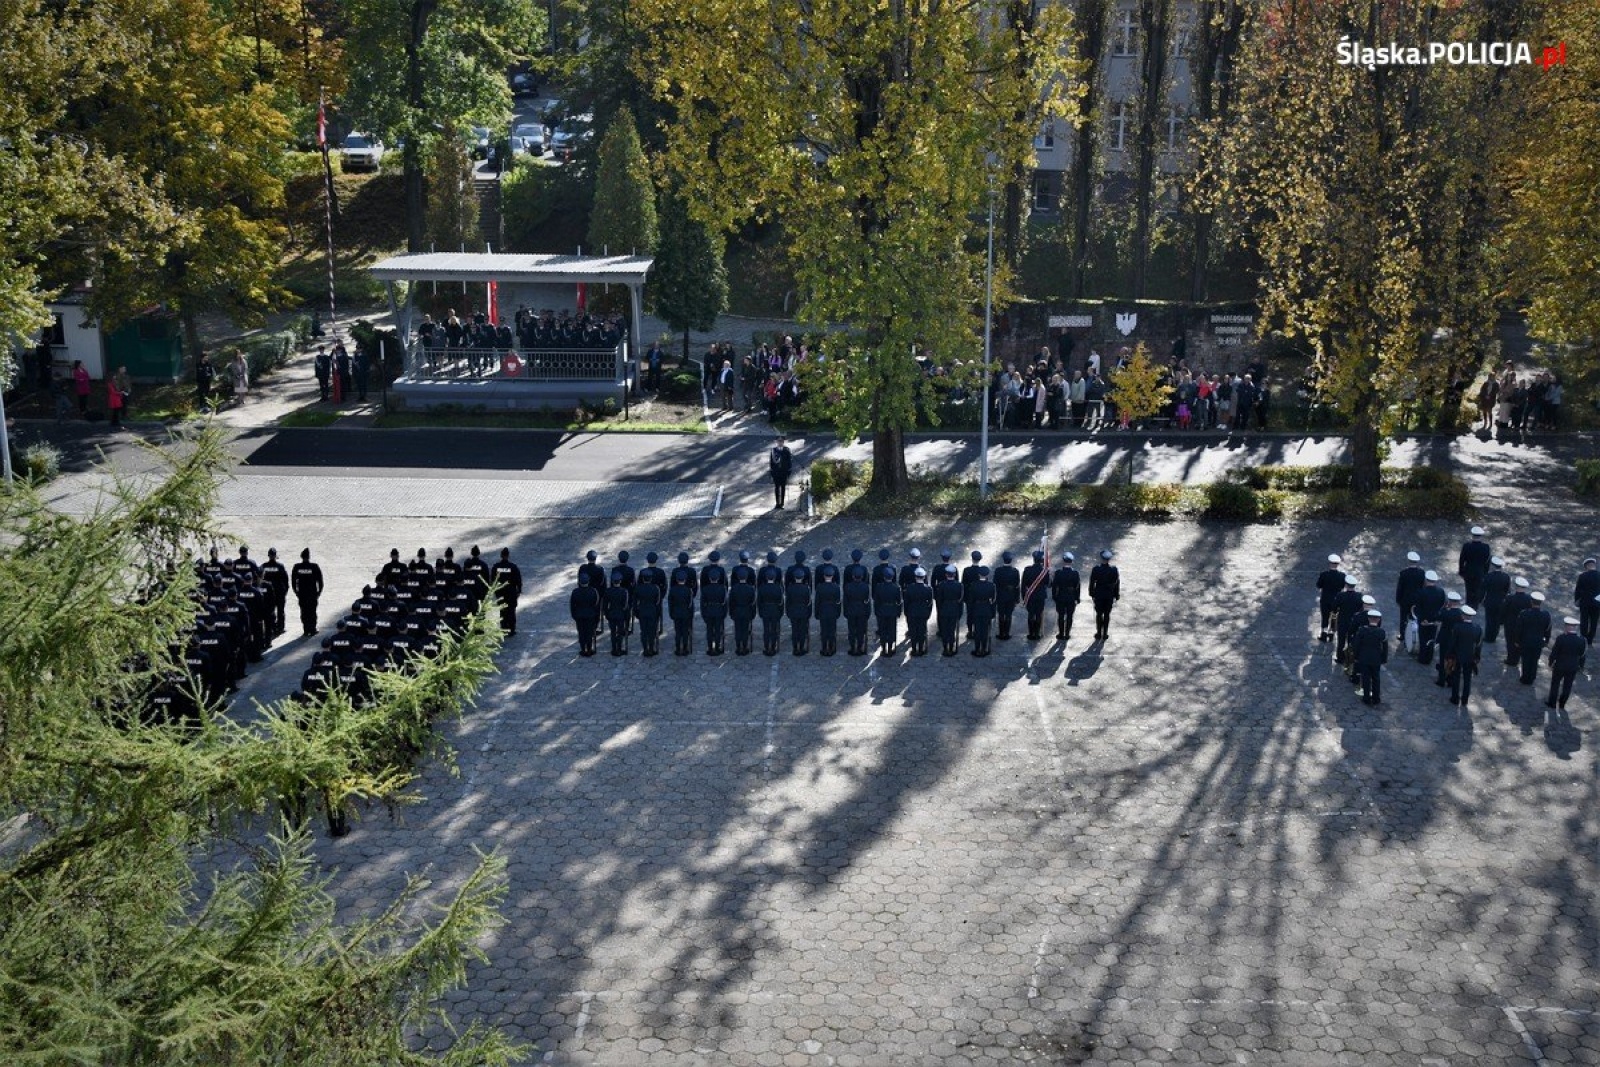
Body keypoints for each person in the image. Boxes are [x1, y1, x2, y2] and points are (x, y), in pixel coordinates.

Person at [1446, 605, 1483, 706]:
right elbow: (1478, 645)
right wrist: (1477, 657)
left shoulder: (1457, 627)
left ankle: (1455, 698)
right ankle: (1465, 700)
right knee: (1467, 679)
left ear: (1463, 616)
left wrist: (1449, 654)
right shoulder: (1477, 628)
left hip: (1458, 656)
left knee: (1456, 677)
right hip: (1470, 657)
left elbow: (1453, 643)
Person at [1546, 617, 1587, 710]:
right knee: (1567, 686)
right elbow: (1582, 655)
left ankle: (1552, 703)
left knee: (1555, 684)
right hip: (1572, 667)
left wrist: (1550, 662)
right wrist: (1581, 666)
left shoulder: (1561, 638)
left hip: (1560, 665)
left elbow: (1554, 653)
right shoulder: (1582, 640)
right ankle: (1562, 704)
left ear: (1567, 627)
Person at [1351, 609, 1389, 706]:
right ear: (1378, 620)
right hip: (1376, 659)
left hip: (1364, 658)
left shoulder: (1362, 630)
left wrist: (1356, 657)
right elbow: (1385, 648)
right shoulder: (1382, 632)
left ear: (1368, 619)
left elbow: (1356, 645)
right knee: (1376, 678)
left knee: (1366, 678)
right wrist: (1384, 659)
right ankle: (1376, 698)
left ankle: (1366, 697)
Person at [1514, 591, 1552, 686]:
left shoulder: (1524, 613)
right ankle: (1532, 677)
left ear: (1531, 602)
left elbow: (1519, 628)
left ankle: (1525, 677)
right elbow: (1548, 629)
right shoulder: (1546, 615)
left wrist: (1517, 640)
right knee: (1534, 660)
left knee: (1526, 659)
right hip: (1538, 641)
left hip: (1525, 641)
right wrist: (1546, 640)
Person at [843, 550, 873, 656]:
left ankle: (852, 648)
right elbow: (867, 600)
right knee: (861, 630)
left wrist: (845, 611)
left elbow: (845, 598)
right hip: (862, 610)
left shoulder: (847, 572)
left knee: (851, 629)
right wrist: (868, 612)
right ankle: (860, 647)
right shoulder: (865, 583)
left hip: (851, 608)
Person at [1413, 571, 1446, 665]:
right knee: (1431, 638)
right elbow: (1442, 606)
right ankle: (1429, 657)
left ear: (1426, 580)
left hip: (1423, 620)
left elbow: (1419, 608)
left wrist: (1423, 618)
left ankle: (1422, 658)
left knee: (1423, 638)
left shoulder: (1421, 592)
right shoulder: (1441, 592)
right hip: (1434, 620)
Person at [814, 549, 842, 656]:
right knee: (832, 629)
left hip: (822, 607)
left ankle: (824, 647)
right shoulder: (835, 569)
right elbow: (838, 598)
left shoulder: (818, 569)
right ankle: (832, 647)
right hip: (833, 608)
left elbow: (816, 585)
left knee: (824, 630)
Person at [785, 549, 814, 654]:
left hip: (793, 604)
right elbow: (810, 585)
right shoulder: (806, 570)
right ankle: (801, 647)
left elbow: (787, 582)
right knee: (802, 629)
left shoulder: (790, 569)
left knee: (794, 628)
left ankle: (795, 647)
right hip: (803, 604)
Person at [756, 552, 785, 656]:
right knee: (774, 629)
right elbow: (782, 594)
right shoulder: (778, 571)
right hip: (776, 608)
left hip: (765, 608)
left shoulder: (762, 571)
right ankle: (773, 646)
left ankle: (766, 646)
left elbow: (758, 585)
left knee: (766, 629)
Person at [1433, 591, 1465, 688]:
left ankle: (1441, 679)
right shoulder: (1461, 614)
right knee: (1453, 660)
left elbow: (1437, 617)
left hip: (1445, 638)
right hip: (1455, 641)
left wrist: (1444, 607)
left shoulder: (1446, 612)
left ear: (1450, 602)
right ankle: (1450, 680)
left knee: (1443, 659)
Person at [701, 551, 729, 655]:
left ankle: (710, 647)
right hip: (719, 604)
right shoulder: (721, 570)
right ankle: (718, 646)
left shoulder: (705, 570)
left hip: (708, 605)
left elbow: (703, 583)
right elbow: (725, 584)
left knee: (709, 629)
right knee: (718, 629)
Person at [1501, 577, 1534, 667]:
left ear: (1516, 586)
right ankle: (1517, 658)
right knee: (1519, 641)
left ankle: (1511, 659)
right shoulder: (1529, 599)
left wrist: (1502, 621)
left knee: (1510, 642)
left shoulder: (1510, 598)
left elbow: (1504, 610)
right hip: (1523, 624)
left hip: (1510, 624)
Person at [290, 548, 324, 636]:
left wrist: (296, 592)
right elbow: (320, 581)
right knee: (312, 611)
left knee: (304, 611)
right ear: (309, 557)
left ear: (301, 557)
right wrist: (318, 593)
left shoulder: (297, 567)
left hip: (302, 594)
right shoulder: (314, 567)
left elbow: (293, 581)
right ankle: (312, 629)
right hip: (312, 594)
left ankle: (306, 629)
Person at [727, 559, 757, 656]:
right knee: (745, 629)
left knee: (738, 629)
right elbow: (753, 603)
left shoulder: (734, 589)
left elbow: (731, 602)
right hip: (747, 611)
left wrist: (731, 613)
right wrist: (753, 613)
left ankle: (738, 647)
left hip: (737, 611)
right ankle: (745, 646)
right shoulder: (750, 589)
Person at [1088, 550, 1120, 641]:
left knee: (1099, 614)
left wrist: (1091, 593)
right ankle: (1105, 633)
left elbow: (1092, 582)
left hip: (1099, 594)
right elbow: (1117, 583)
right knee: (1107, 614)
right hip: (1109, 595)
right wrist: (1116, 594)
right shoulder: (1114, 569)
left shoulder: (1096, 569)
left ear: (1101, 558)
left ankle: (1099, 633)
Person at [934, 564, 964, 656]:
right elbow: (960, 600)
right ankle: (951, 646)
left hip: (944, 609)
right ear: (954, 575)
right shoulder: (959, 585)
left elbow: (939, 600)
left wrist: (940, 609)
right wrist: (960, 613)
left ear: (946, 575)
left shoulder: (941, 585)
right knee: (951, 629)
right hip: (954, 609)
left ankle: (945, 647)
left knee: (944, 629)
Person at [1458, 526, 1492, 608]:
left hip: (1468, 570)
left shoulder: (1466, 546)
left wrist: (1461, 571)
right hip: (1480, 571)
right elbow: (1487, 561)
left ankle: (1468, 605)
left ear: (1472, 535)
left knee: (1468, 588)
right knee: (1477, 589)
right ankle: (1475, 606)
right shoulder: (1486, 547)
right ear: (1481, 536)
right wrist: (1485, 572)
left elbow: (1462, 559)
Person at [634, 566, 665, 656]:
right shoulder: (656, 588)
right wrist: (658, 613)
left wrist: (636, 613)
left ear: (643, 578)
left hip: (642, 611)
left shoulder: (638, 588)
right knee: (652, 631)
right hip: (653, 612)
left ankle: (645, 649)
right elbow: (658, 602)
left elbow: (635, 603)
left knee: (643, 631)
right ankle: (651, 648)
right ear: (651, 579)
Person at [903, 567, 934, 656]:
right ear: (924, 577)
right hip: (923, 612)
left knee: (913, 631)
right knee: (922, 631)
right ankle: (920, 648)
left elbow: (906, 602)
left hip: (912, 612)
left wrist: (906, 613)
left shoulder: (910, 588)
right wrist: (928, 613)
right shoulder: (928, 589)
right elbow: (930, 603)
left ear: (915, 577)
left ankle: (914, 649)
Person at [1051, 552, 1081, 642]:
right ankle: (1067, 634)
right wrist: (1077, 598)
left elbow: (1054, 586)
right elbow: (1078, 587)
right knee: (1070, 616)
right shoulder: (1075, 573)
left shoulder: (1058, 573)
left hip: (1061, 596)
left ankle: (1061, 634)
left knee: (1060, 616)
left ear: (1063, 561)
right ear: (1071, 562)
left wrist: (1054, 597)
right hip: (1071, 597)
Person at [491, 548, 522, 634]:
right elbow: (518, 580)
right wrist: (519, 590)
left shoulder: (496, 567)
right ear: (508, 555)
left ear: (501, 556)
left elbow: (493, 580)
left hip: (500, 591)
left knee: (502, 610)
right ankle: (511, 629)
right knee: (511, 610)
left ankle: (504, 628)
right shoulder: (513, 567)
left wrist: (494, 590)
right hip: (511, 592)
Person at [260, 548, 290, 638]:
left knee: (270, 611)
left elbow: (260, 579)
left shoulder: (264, 566)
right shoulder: (280, 566)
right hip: (279, 593)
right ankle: (280, 628)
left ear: (268, 555)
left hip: (268, 594)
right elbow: (285, 580)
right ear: (275, 555)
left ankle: (272, 627)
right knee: (280, 611)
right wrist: (285, 592)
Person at [570, 572, 602, 656]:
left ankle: (583, 649)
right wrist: (596, 617)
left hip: (579, 616)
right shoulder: (593, 591)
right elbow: (596, 605)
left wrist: (575, 616)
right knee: (589, 633)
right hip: (590, 615)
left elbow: (572, 606)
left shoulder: (575, 592)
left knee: (581, 633)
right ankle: (589, 649)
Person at [1317, 553, 1346, 642]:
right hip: (1336, 600)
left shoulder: (1324, 574)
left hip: (1325, 599)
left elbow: (1319, 585)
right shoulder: (1342, 575)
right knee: (1334, 617)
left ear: (1330, 563)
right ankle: (1331, 634)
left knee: (1325, 617)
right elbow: (1342, 586)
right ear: (1337, 564)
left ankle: (1324, 634)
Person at [1481, 556, 1511, 644]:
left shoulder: (1488, 576)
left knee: (1489, 619)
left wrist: (1481, 600)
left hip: (1490, 600)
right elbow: (1507, 591)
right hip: (1501, 601)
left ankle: (1488, 636)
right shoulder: (1506, 577)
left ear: (1493, 566)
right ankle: (1494, 636)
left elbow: (1483, 590)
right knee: (1497, 620)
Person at [873, 568, 903, 655]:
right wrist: (899, 612)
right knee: (891, 630)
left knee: (883, 630)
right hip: (892, 611)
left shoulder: (879, 587)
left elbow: (876, 601)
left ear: (884, 577)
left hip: (882, 610)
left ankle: (883, 649)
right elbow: (899, 602)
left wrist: (877, 611)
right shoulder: (896, 588)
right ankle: (890, 648)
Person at [992, 551, 1021, 641]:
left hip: (1000, 596)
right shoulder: (1015, 571)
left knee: (1001, 614)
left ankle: (1001, 633)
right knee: (1008, 615)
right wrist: (1017, 598)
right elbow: (1017, 586)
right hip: (1011, 596)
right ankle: (1007, 633)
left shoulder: (998, 571)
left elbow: (995, 584)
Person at [969, 566, 997, 657]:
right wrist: (993, 612)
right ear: (987, 575)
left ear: (979, 574)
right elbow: (993, 600)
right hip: (986, 609)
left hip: (976, 609)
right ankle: (984, 649)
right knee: (985, 631)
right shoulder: (991, 585)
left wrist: (971, 611)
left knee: (977, 630)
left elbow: (971, 600)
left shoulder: (973, 585)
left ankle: (977, 649)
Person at [604, 567, 632, 656]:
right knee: (620, 633)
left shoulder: (608, 591)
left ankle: (613, 649)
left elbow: (605, 605)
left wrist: (607, 614)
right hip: (620, 614)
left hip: (611, 613)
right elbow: (625, 605)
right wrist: (627, 616)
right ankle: (619, 649)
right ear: (620, 581)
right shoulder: (624, 591)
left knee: (612, 632)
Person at [1021, 550, 1049, 641]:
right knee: (1038, 614)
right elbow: (1048, 584)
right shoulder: (1044, 571)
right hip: (1040, 596)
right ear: (1041, 560)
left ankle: (1031, 634)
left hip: (1030, 595)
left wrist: (1024, 597)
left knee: (1031, 614)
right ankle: (1037, 634)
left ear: (1033, 559)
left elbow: (1023, 584)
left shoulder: (1027, 569)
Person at [668, 568, 696, 655]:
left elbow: (670, 604)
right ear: (685, 579)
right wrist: (691, 614)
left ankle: (677, 648)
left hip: (676, 613)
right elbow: (691, 604)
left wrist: (671, 614)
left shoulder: (672, 590)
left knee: (677, 631)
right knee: (685, 631)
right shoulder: (688, 590)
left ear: (676, 580)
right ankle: (685, 648)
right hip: (686, 613)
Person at [1575, 558, 1600, 646]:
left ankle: (1583, 637)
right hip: (1597, 603)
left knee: (1584, 620)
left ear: (1586, 566)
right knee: (1594, 621)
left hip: (1585, 602)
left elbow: (1578, 589)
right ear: (1594, 565)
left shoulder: (1582, 576)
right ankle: (1590, 640)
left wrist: (1577, 600)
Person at [769, 435, 793, 510]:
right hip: (776, 472)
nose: (780, 442)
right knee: (776, 488)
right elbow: (771, 462)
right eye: (779, 441)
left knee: (783, 487)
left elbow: (789, 461)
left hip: (784, 472)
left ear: (783, 442)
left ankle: (782, 503)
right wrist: (772, 472)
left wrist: (789, 471)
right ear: (776, 442)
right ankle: (777, 503)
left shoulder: (787, 450)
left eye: (781, 441)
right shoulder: (773, 450)